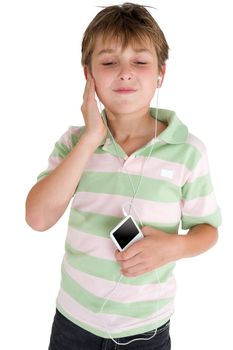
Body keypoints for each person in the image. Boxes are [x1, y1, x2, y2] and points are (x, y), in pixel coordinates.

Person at [25, 3, 222, 349]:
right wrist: (90, 138)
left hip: (147, 331)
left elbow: (207, 230)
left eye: (140, 62)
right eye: (109, 62)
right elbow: (38, 218)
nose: (125, 73)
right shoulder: (74, 142)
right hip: (74, 324)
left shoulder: (188, 151)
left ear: (161, 73)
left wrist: (174, 246)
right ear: (88, 75)